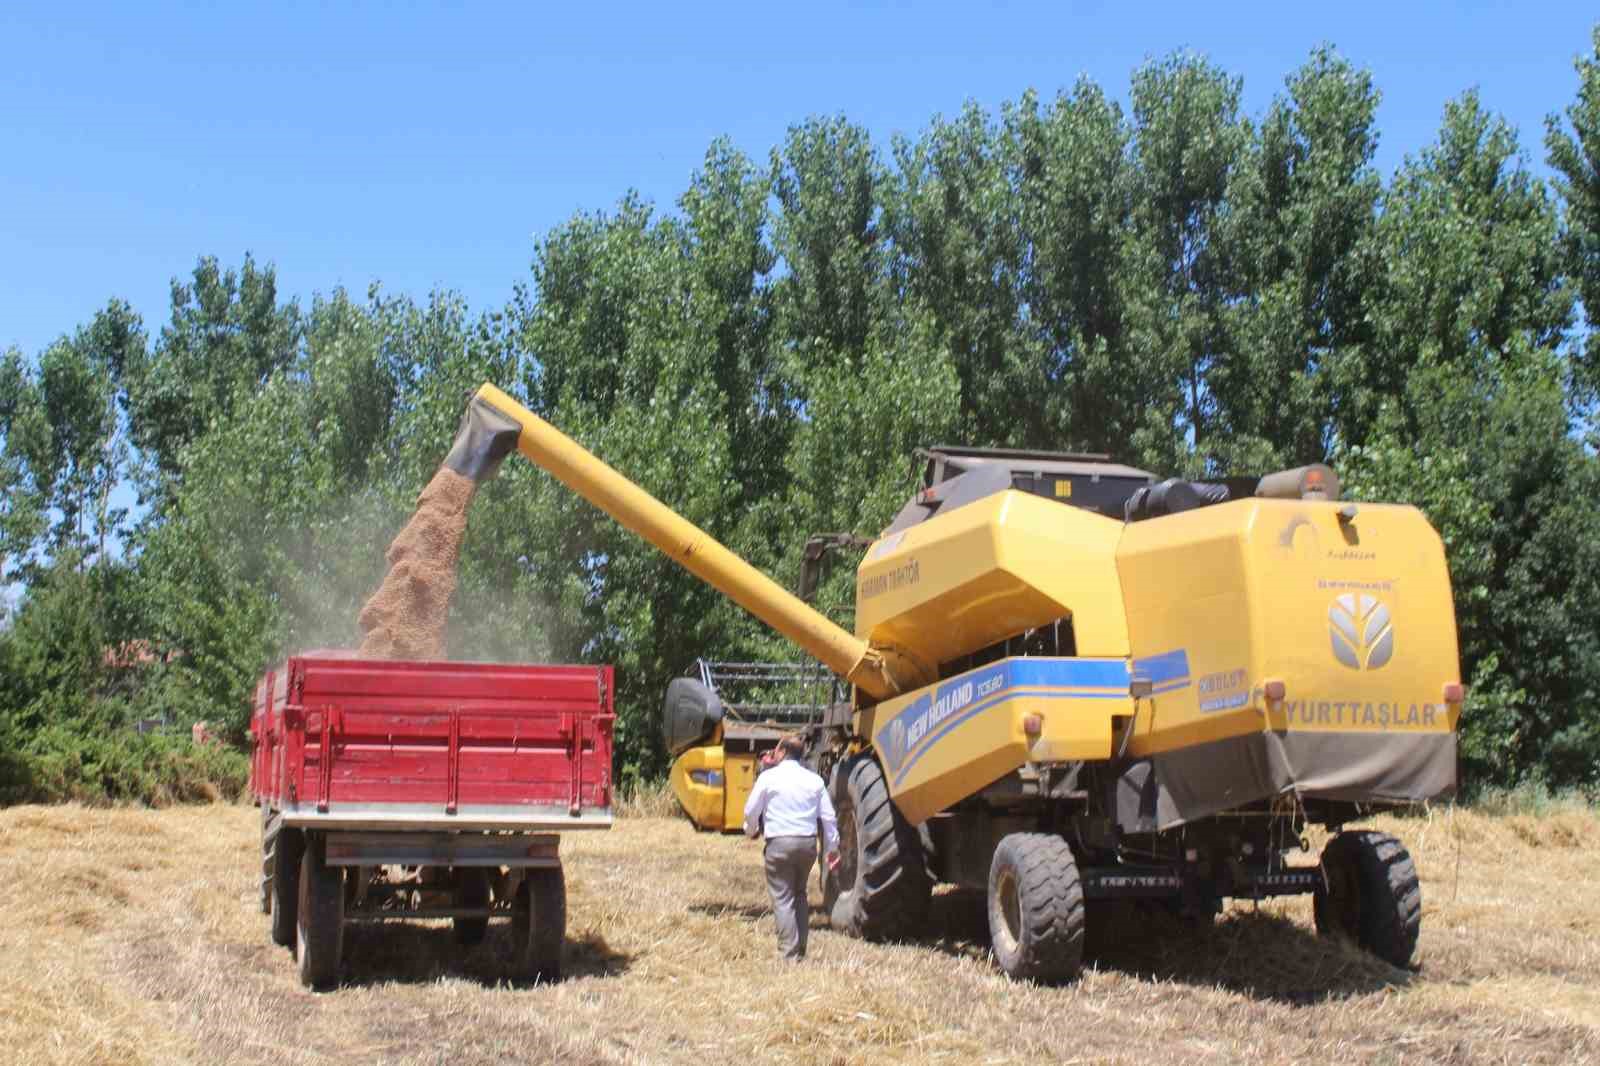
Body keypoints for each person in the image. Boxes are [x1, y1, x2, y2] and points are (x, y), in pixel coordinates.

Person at [742, 734, 841, 960]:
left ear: (783, 752)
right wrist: (832, 847)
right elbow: (828, 817)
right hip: (807, 845)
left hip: (779, 844)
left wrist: (750, 830)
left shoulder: (768, 778)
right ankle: (801, 949)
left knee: (783, 898)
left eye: (776, 751)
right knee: (800, 895)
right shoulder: (814, 780)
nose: (773, 755)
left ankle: (789, 954)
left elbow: (750, 811)